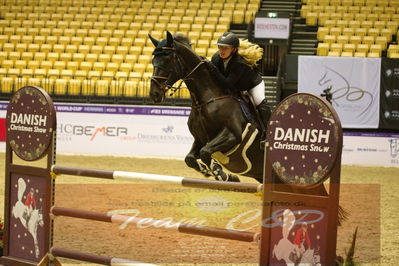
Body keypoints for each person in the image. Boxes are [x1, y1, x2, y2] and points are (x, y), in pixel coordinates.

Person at [207, 32, 271, 129]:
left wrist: (214, 70)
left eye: (225, 48)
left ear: (234, 49)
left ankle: (268, 129)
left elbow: (227, 84)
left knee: (258, 100)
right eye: (220, 47)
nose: (221, 50)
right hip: (235, 86)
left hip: (252, 85)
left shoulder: (239, 62)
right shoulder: (216, 58)